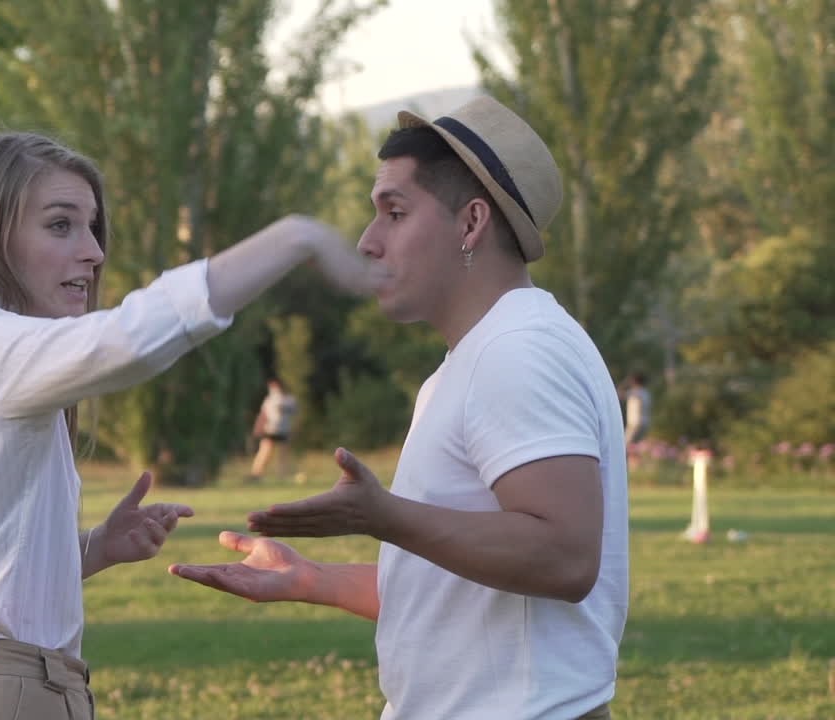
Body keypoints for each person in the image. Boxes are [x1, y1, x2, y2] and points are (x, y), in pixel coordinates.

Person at [0, 131, 383, 720]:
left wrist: (96, 548)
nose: (94, 252)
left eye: (91, 228)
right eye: (60, 225)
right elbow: (131, 337)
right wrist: (296, 236)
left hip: (1, 689)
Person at [171, 96, 629, 720]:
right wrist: (312, 579)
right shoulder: (477, 357)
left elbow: (566, 557)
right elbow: (456, 588)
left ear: (471, 224)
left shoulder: (518, 350)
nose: (367, 241)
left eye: (394, 212)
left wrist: (383, 516)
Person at [249, 378, 298, 482]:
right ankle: (256, 474)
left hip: (284, 430)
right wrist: (258, 427)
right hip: (270, 429)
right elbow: (263, 415)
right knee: (265, 452)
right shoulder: (270, 400)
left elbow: (295, 415)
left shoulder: (290, 400)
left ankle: (283, 476)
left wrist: (294, 430)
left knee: (283, 454)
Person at [624, 371, 652, 446]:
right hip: (644, 422)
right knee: (637, 446)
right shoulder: (646, 393)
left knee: (625, 445)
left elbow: (618, 394)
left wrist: (624, 383)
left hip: (635, 424)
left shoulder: (635, 392)